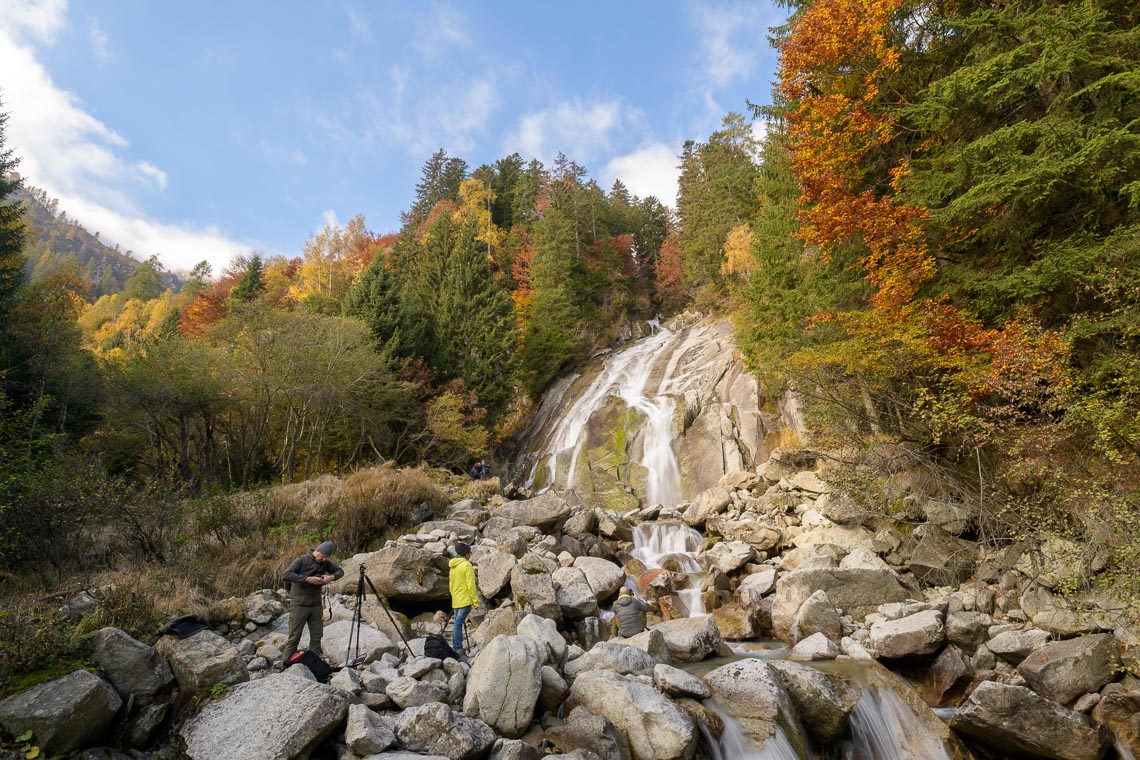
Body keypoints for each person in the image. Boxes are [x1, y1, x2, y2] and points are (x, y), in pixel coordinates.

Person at [281, 540, 343, 663]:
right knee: (294, 637)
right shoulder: (301, 560)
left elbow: (340, 571)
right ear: (317, 551)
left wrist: (330, 577)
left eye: (327, 557)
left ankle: (314, 663)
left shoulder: (325, 563)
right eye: (323, 556)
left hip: (316, 605)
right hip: (299, 604)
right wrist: (307, 579)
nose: (324, 559)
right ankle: (286, 663)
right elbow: (286, 575)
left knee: (317, 636)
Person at [448, 542, 478, 655]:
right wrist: (475, 600)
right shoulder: (467, 565)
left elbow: (451, 585)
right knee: (458, 624)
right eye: (469, 552)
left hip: (456, 600)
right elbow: (471, 584)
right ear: (466, 554)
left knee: (457, 623)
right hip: (465, 600)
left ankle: (456, 647)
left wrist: (454, 596)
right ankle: (458, 648)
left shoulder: (453, 566)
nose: (470, 555)